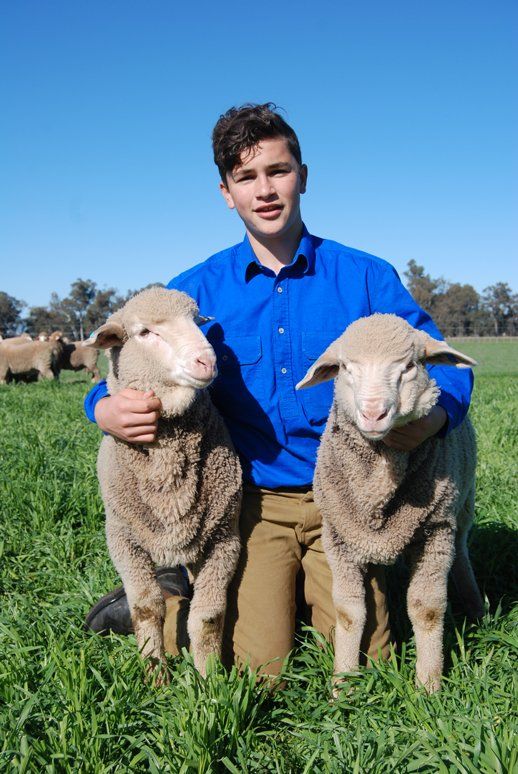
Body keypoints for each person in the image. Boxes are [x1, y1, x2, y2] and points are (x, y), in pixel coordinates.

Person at [84, 103, 472, 675]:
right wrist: (103, 408)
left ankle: (290, 591)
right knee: (258, 669)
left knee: (373, 659)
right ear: (226, 193)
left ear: (303, 176)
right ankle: (170, 596)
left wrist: (439, 418)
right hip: (251, 503)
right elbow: (118, 365)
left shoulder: (366, 278)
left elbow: (447, 367)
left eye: (278, 170)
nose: (264, 190)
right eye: (246, 178)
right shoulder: (195, 291)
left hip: (348, 497)